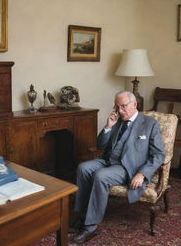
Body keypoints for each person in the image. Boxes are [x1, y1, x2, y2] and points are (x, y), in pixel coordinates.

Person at [71, 90, 165, 244]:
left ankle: (90, 227)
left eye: (123, 106)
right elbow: (100, 145)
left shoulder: (150, 124)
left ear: (134, 104)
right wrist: (108, 126)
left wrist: (142, 174)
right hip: (108, 160)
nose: (120, 111)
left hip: (127, 167)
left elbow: (159, 155)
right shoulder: (117, 120)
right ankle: (82, 216)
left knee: (101, 176)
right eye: (117, 107)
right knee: (83, 167)